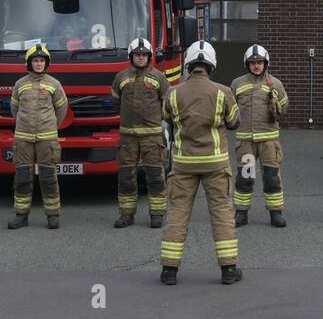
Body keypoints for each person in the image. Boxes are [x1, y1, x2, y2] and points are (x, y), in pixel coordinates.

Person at [159, 41, 242, 285]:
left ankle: (169, 271)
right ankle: (228, 270)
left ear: (188, 64)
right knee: (221, 213)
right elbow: (234, 122)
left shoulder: (173, 92)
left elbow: (167, 118)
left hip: (183, 163)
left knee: (178, 214)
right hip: (215, 164)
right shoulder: (223, 91)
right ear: (211, 65)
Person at [8, 43, 69, 229]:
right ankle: (21, 215)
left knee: (48, 177)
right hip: (23, 138)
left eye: (42, 60)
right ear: (29, 63)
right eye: (36, 60)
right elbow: (14, 109)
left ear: (47, 63)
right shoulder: (20, 84)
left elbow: (62, 108)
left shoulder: (54, 84)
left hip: (47, 138)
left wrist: (51, 126)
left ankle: (52, 216)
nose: (39, 64)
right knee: (22, 177)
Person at [110, 38, 169, 228]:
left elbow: (167, 103)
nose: (141, 58)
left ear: (149, 56)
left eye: (144, 55)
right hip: (128, 136)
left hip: (152, 135)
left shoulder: (159, 77)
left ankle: (157, 214)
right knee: (126, 176)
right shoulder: (121, 77)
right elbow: (116, 102)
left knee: (155, 175)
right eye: (137, 54)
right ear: (131, 56)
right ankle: (126, 215)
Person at [229, 44, 289, 227]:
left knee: (272, 177)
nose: (256, 65)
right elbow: (229, 109)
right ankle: (241, 213)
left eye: (259, 62)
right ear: (247, 64)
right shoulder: (237, 83)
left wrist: (277, 105)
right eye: (253, 62)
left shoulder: (275, 84)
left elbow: (284, 109)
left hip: (268, 140)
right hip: (246, 141)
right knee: (245, 177)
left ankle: (276, 213)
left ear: (265, 63)